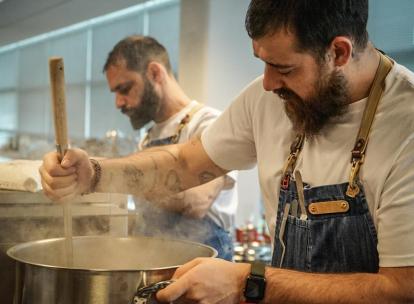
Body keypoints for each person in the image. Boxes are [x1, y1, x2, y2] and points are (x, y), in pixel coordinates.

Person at [40, 0, 414, 303]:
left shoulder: (405, 126)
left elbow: (402, 288)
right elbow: (186, 162)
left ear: (339, 52)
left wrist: (247, 283)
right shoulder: (264, 99)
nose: (267, 83)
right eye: (263, 63)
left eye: (282, 67)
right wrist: (94, 174)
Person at [103, 35, 237, 261]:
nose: (119, 103)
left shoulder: (210, 124)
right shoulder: (148, 139)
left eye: (124, 89)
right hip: (156, 260)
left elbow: (196, 201)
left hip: (203, 265)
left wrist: (116, 178)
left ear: (155, 73)